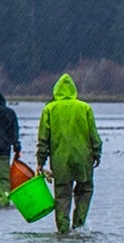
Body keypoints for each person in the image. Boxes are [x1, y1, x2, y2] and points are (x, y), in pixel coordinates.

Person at [36, 73, 102, 233]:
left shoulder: (49, 109)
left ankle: (63, 231)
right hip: (83, 159)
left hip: (60, 161)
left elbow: (43, 139)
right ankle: (79, 226)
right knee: (85, 190)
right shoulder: (84, 108)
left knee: (62, 196)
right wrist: (97, 153)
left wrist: (40, 161)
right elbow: (94, 135)